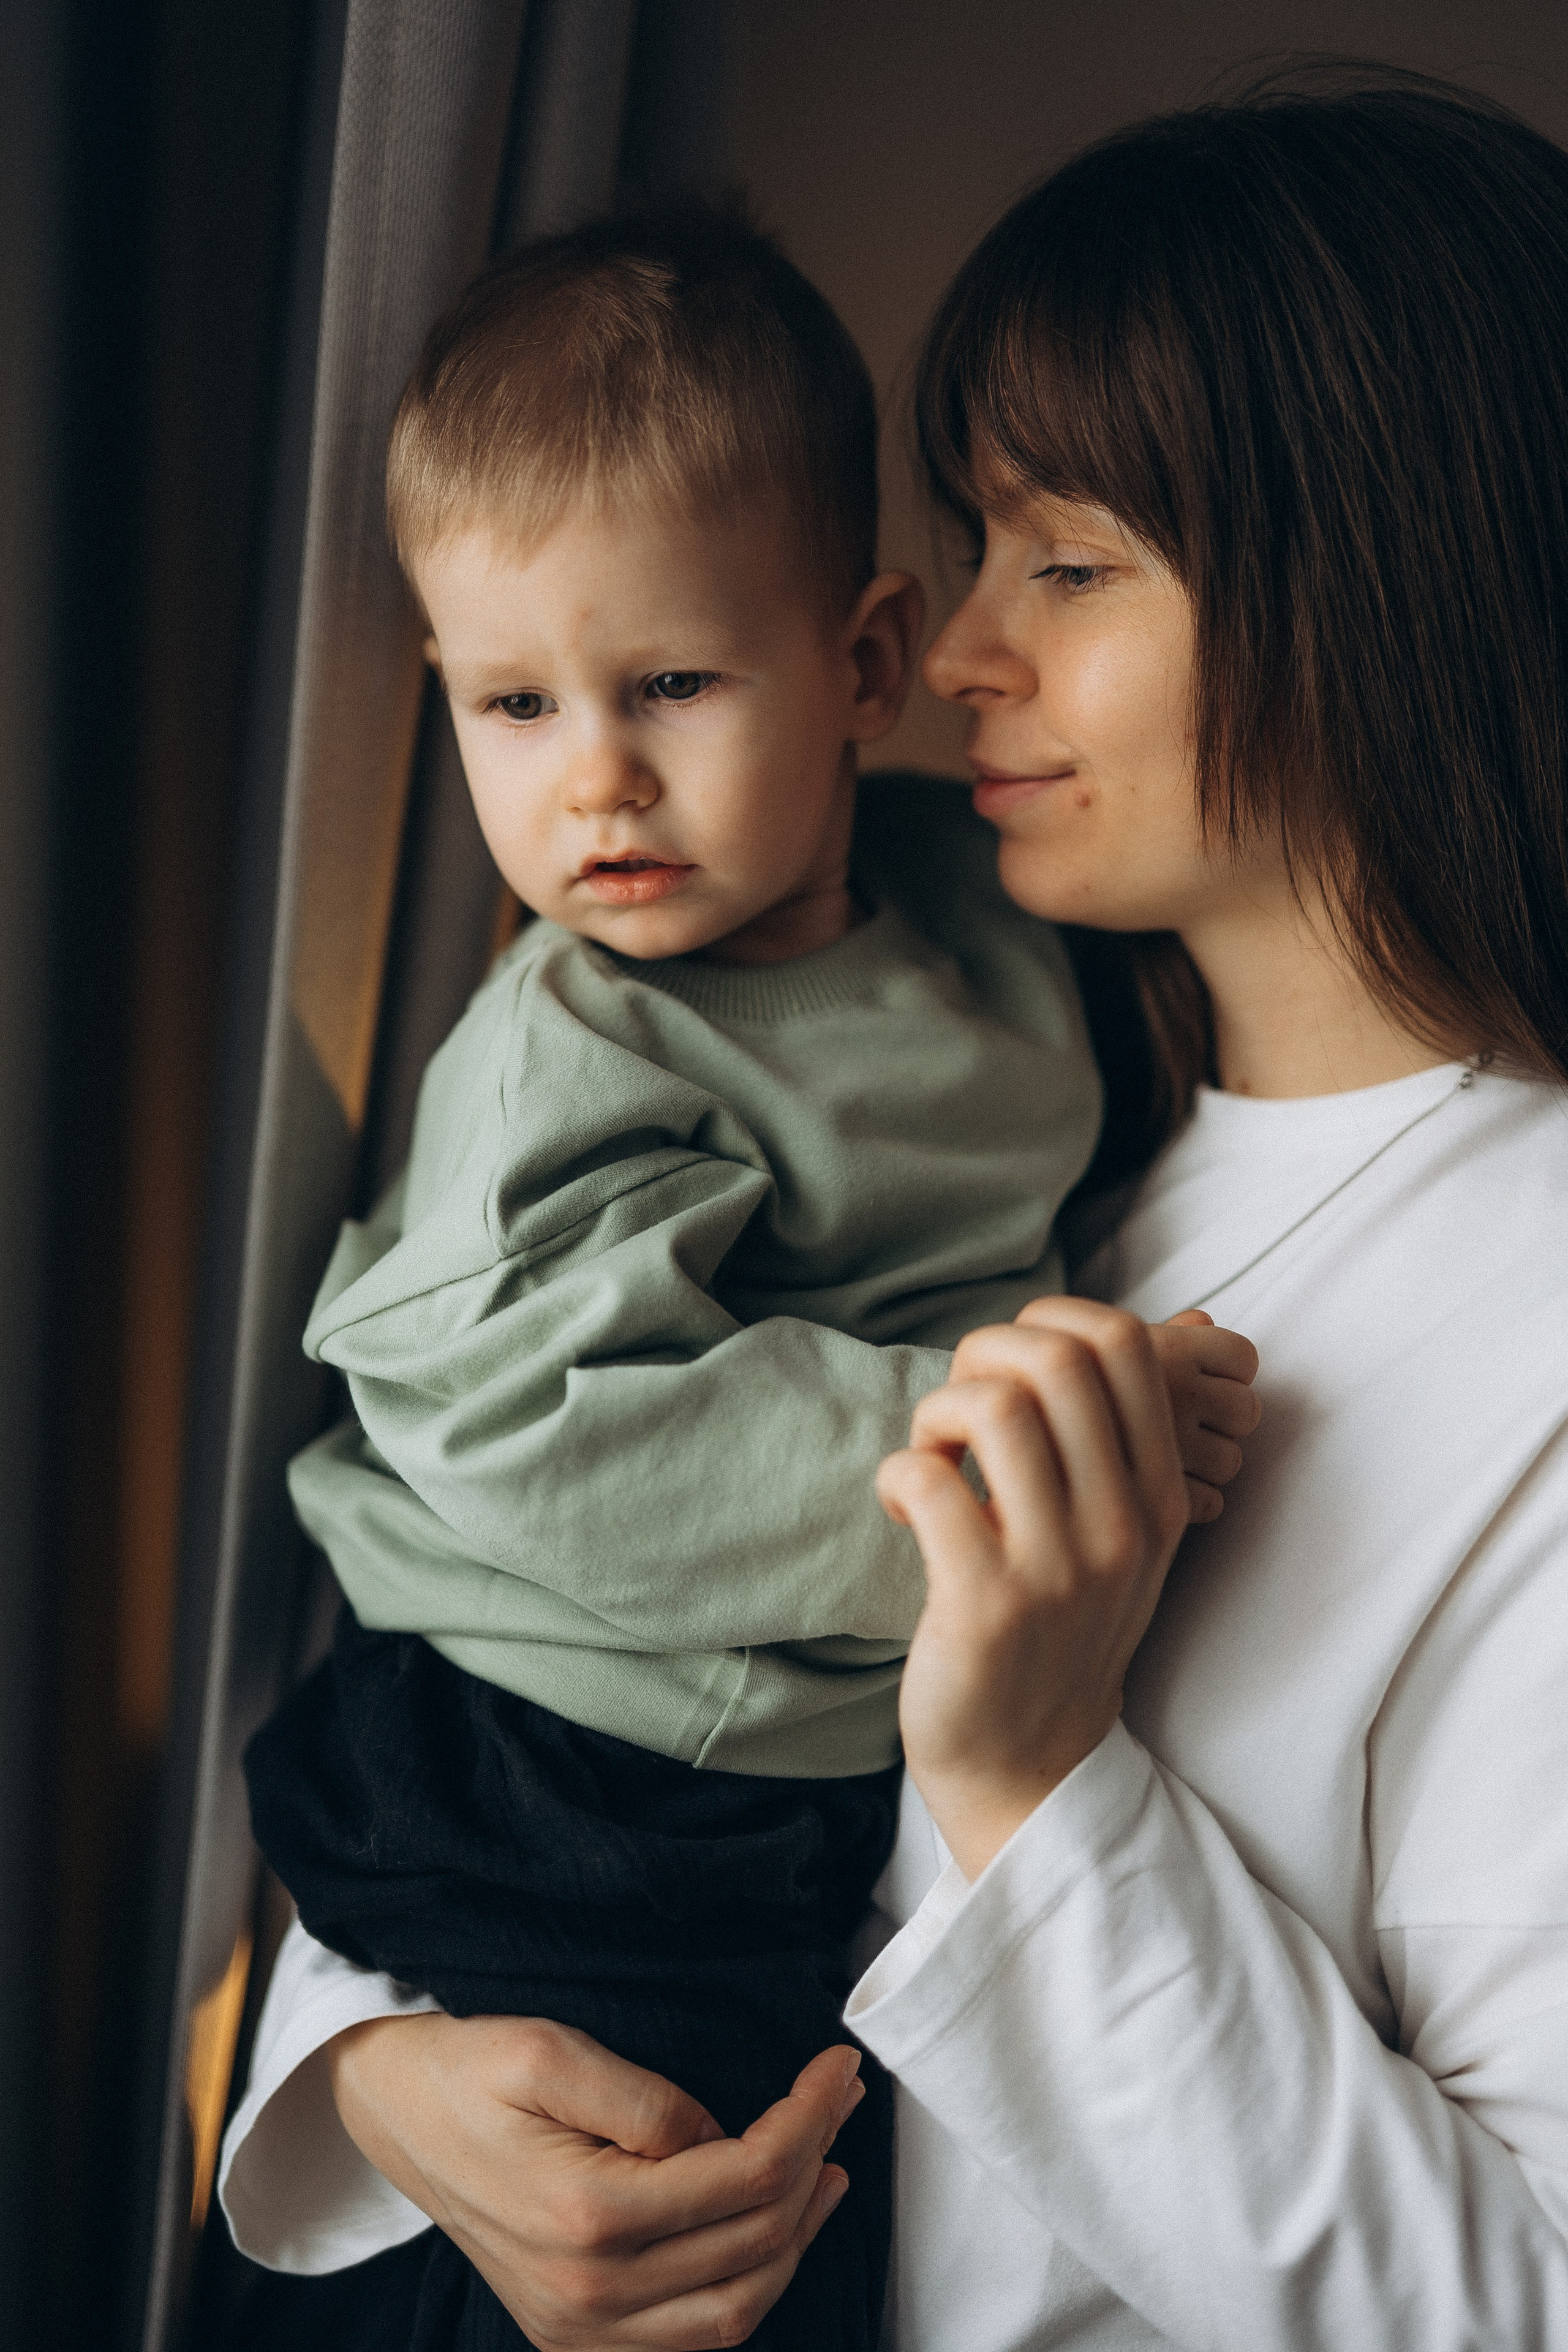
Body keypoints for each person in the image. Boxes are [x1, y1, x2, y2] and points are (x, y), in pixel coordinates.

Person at [218, 72, 1568, 2349]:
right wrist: (385, 2088)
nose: (955, 658)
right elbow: (545, 1643)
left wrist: (1036, 1780)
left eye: (1065, 558)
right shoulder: (988, 1072)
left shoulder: (1529, 1326)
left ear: (1371, 577)